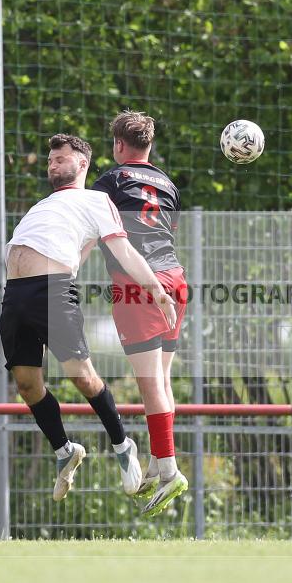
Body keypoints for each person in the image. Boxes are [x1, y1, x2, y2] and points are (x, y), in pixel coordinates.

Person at [0, 133, 177, 503]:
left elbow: (124, 251)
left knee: (81, 377)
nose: (52, 164)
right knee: (27, 386)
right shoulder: (44, 204)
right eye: (50, 159)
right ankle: (66, 451)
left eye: (60, 158)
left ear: (82, 164)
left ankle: (122, 444)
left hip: (52, 292)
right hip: (15, 296)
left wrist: (156, 290)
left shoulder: (97, 200)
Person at [89, 110, 189, 517]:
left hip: (139, 284)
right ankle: (156, 463)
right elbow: (168, 229)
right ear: (149, 146)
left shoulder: (110, 182)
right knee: (161, 380)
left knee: (150, 384)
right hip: (176, 279)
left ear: (118, 146)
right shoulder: (168, 183)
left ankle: (169, 471)